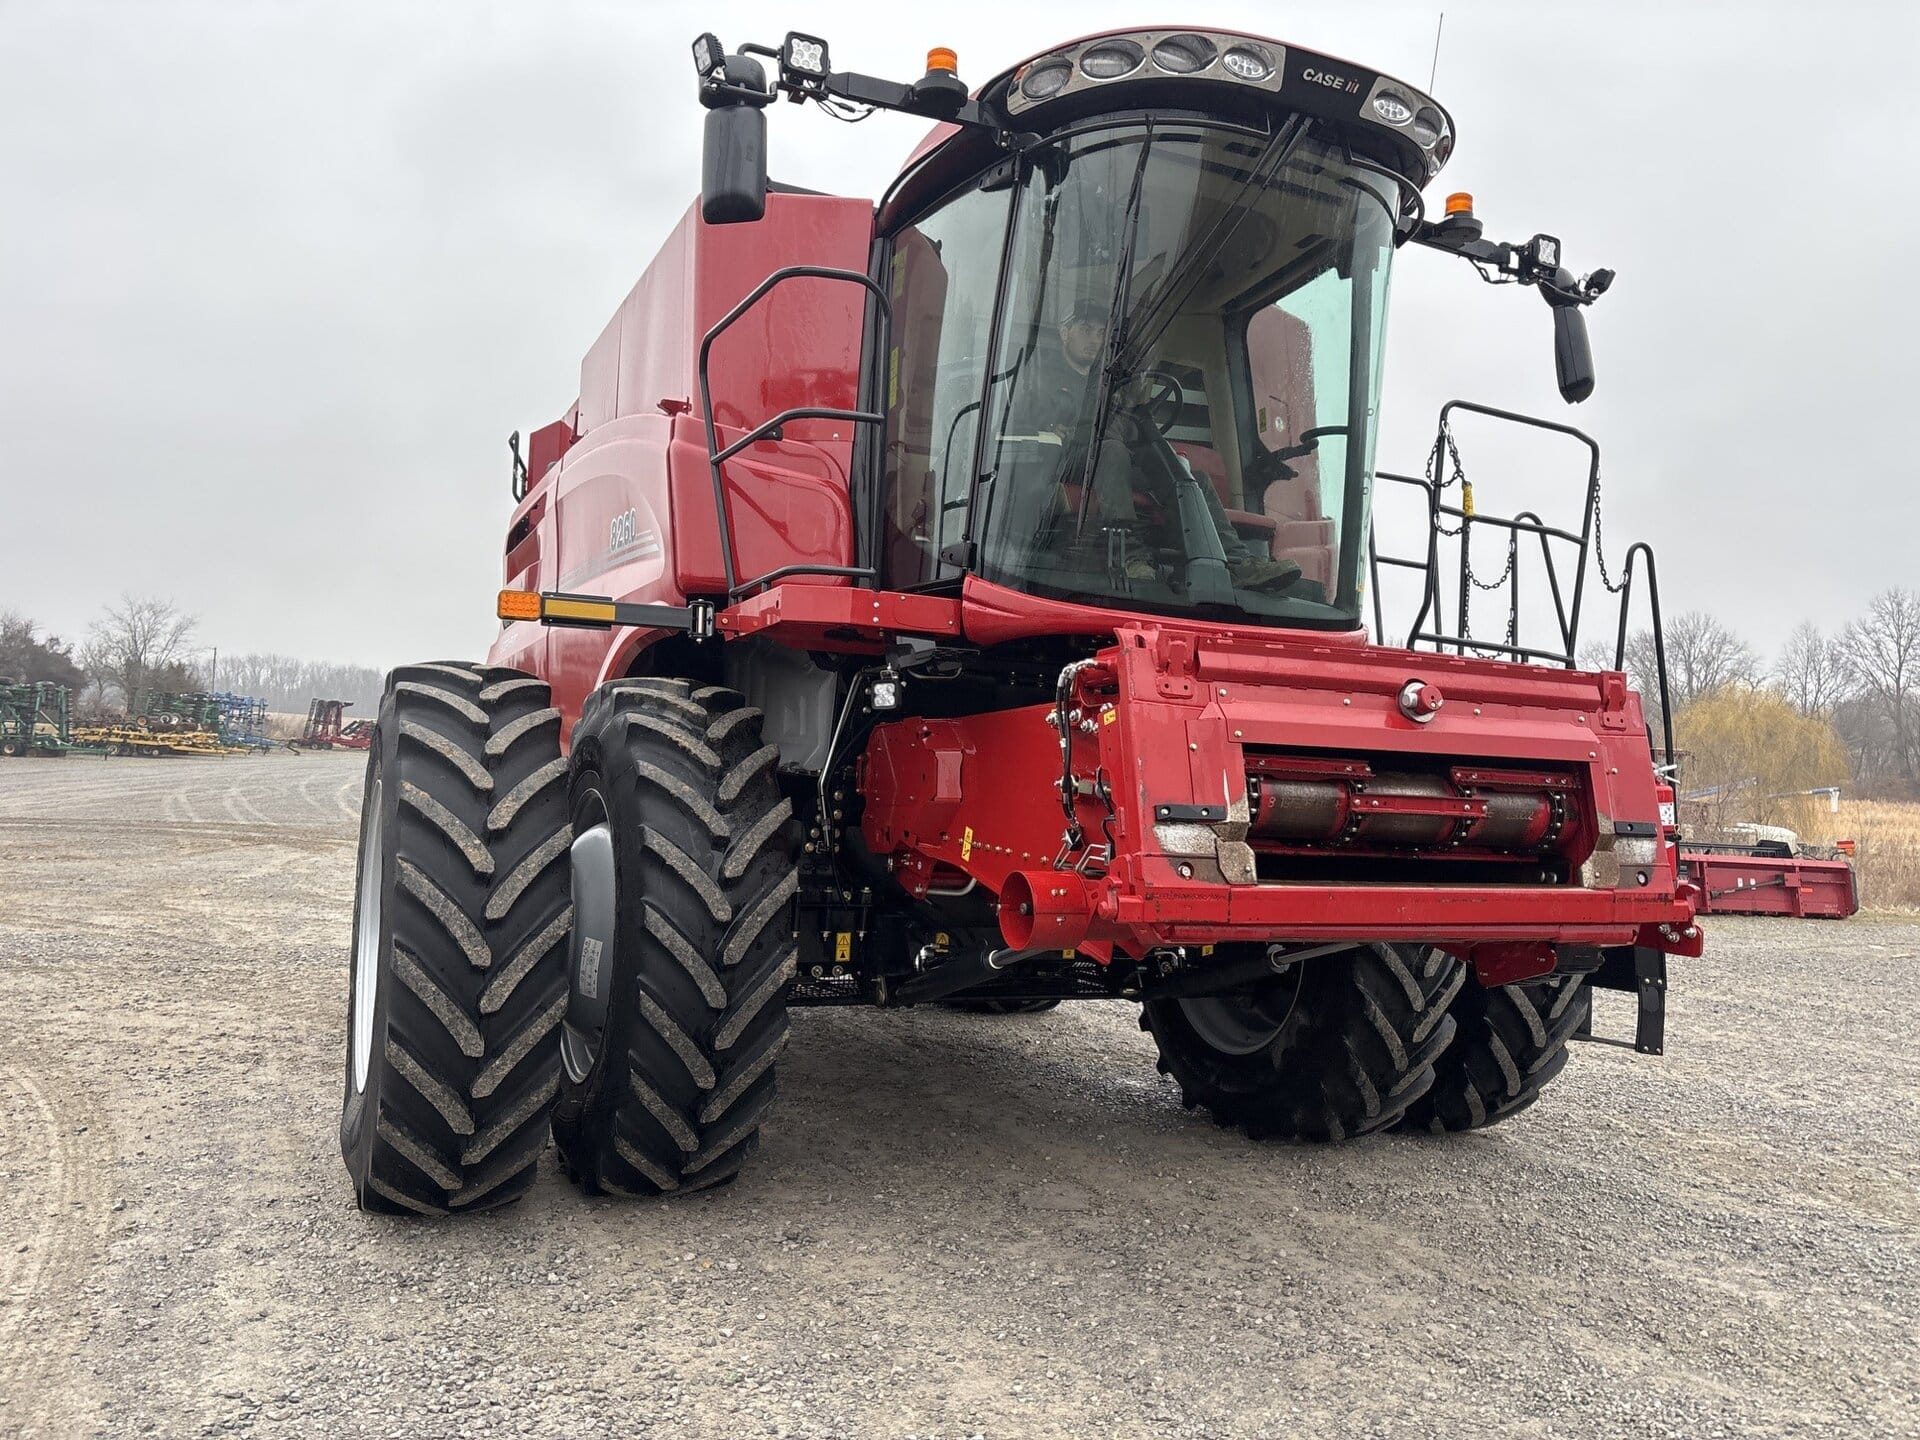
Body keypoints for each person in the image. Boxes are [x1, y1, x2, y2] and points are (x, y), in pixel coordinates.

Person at [1014, 303, 1301, 593]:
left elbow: (1127, 427)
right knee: (1111, 450)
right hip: (1068, 459)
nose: (1093, 340)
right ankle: (1128, 555)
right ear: (1064, 333)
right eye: (1085, 330)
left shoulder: (1109, 382)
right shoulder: (1042, 376)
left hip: (1113, 457)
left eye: (1100, 333)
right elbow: (1029, 422)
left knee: (1187, 475)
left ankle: (1237, 563)